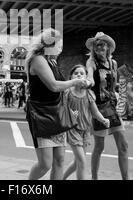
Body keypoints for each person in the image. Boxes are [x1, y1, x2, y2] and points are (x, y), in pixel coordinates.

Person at [26, 28, 88, 180]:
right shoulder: (38, 59)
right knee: (45, 164)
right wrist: (75, 81)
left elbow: (61, 89)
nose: (60, 49)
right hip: (42, 114)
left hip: (57, 113)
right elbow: (53, 85)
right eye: (58, 45)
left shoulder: (52, 61)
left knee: (59, 160)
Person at [85, 32, 129, 180]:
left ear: (108, 47)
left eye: (102, 44)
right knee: (99, 147)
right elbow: (90, 75)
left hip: (112, 106)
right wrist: (89, 81)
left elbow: (113, 84)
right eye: (96, 45)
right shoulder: (92, 63)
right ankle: (94, 178)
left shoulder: (113, 63)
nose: (99, 47)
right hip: (99, 108)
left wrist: (125, 86)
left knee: (123, 145)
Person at [63, 65, 110, 180]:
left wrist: (103, 119)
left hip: (85, 131)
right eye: (76, 73)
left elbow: (95, 111)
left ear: (86, 78)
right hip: (72, 130)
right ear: (71, 77)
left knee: (77, 162)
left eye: (82, 73)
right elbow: (61, 109)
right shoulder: (67, 93)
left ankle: (62, 178)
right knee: (82, 161)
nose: (79, 75)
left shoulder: (89, 94)